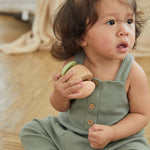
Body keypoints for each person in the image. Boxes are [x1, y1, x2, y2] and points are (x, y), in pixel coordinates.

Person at [20, 0, 150, 149]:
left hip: (116, 141)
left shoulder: (133, 72)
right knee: (31, 130)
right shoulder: (74, 64)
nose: (125, 30)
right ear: (82, 37)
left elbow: (141, 116)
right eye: (111, 22)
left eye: (129, 21)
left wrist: (112, 132)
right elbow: (61, 107)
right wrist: (60, 94)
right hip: (70, 133)